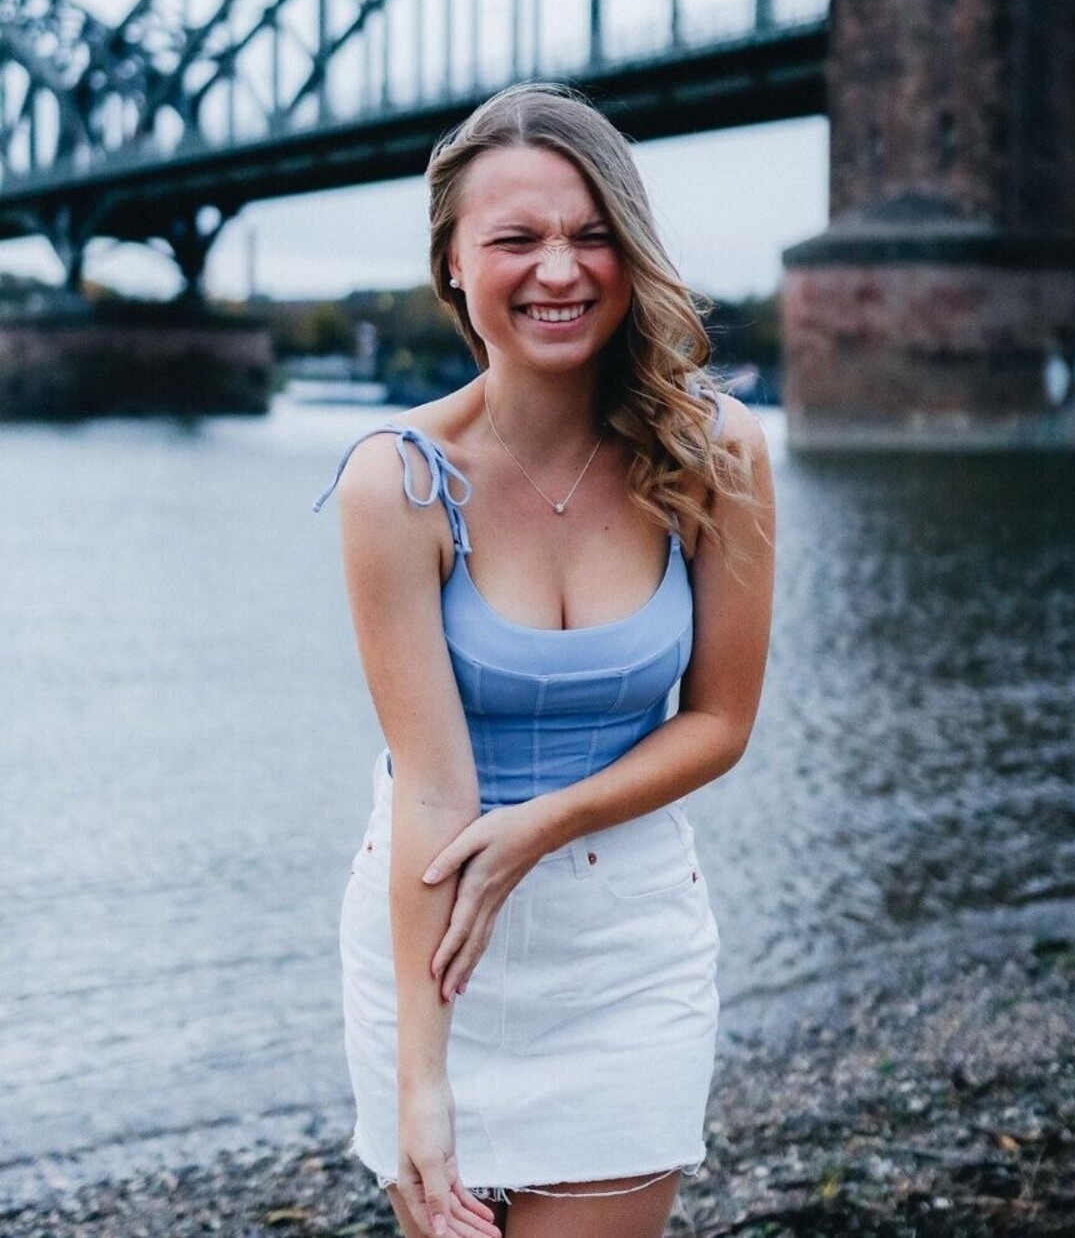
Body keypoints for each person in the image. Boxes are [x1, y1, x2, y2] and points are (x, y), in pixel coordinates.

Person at [313, 81, 775, 1238]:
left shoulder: (716, 450)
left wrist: (542, 824)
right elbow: (432, 789)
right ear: (454, 264)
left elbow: (721, 721)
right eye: (516, 238)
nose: (559, 270)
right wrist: (424, 1081)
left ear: (632, 252)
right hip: (433, 949)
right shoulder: (396, 481)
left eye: (592, 234)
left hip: (626, 948)